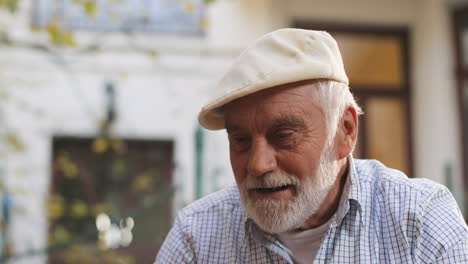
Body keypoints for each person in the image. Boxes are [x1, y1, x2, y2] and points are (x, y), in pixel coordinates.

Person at [155, 28, 468, 263]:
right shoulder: (196, 237)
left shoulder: (419, 222)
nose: (257, 164)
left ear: (344, 132)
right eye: (240, 140)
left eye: (284, 134)